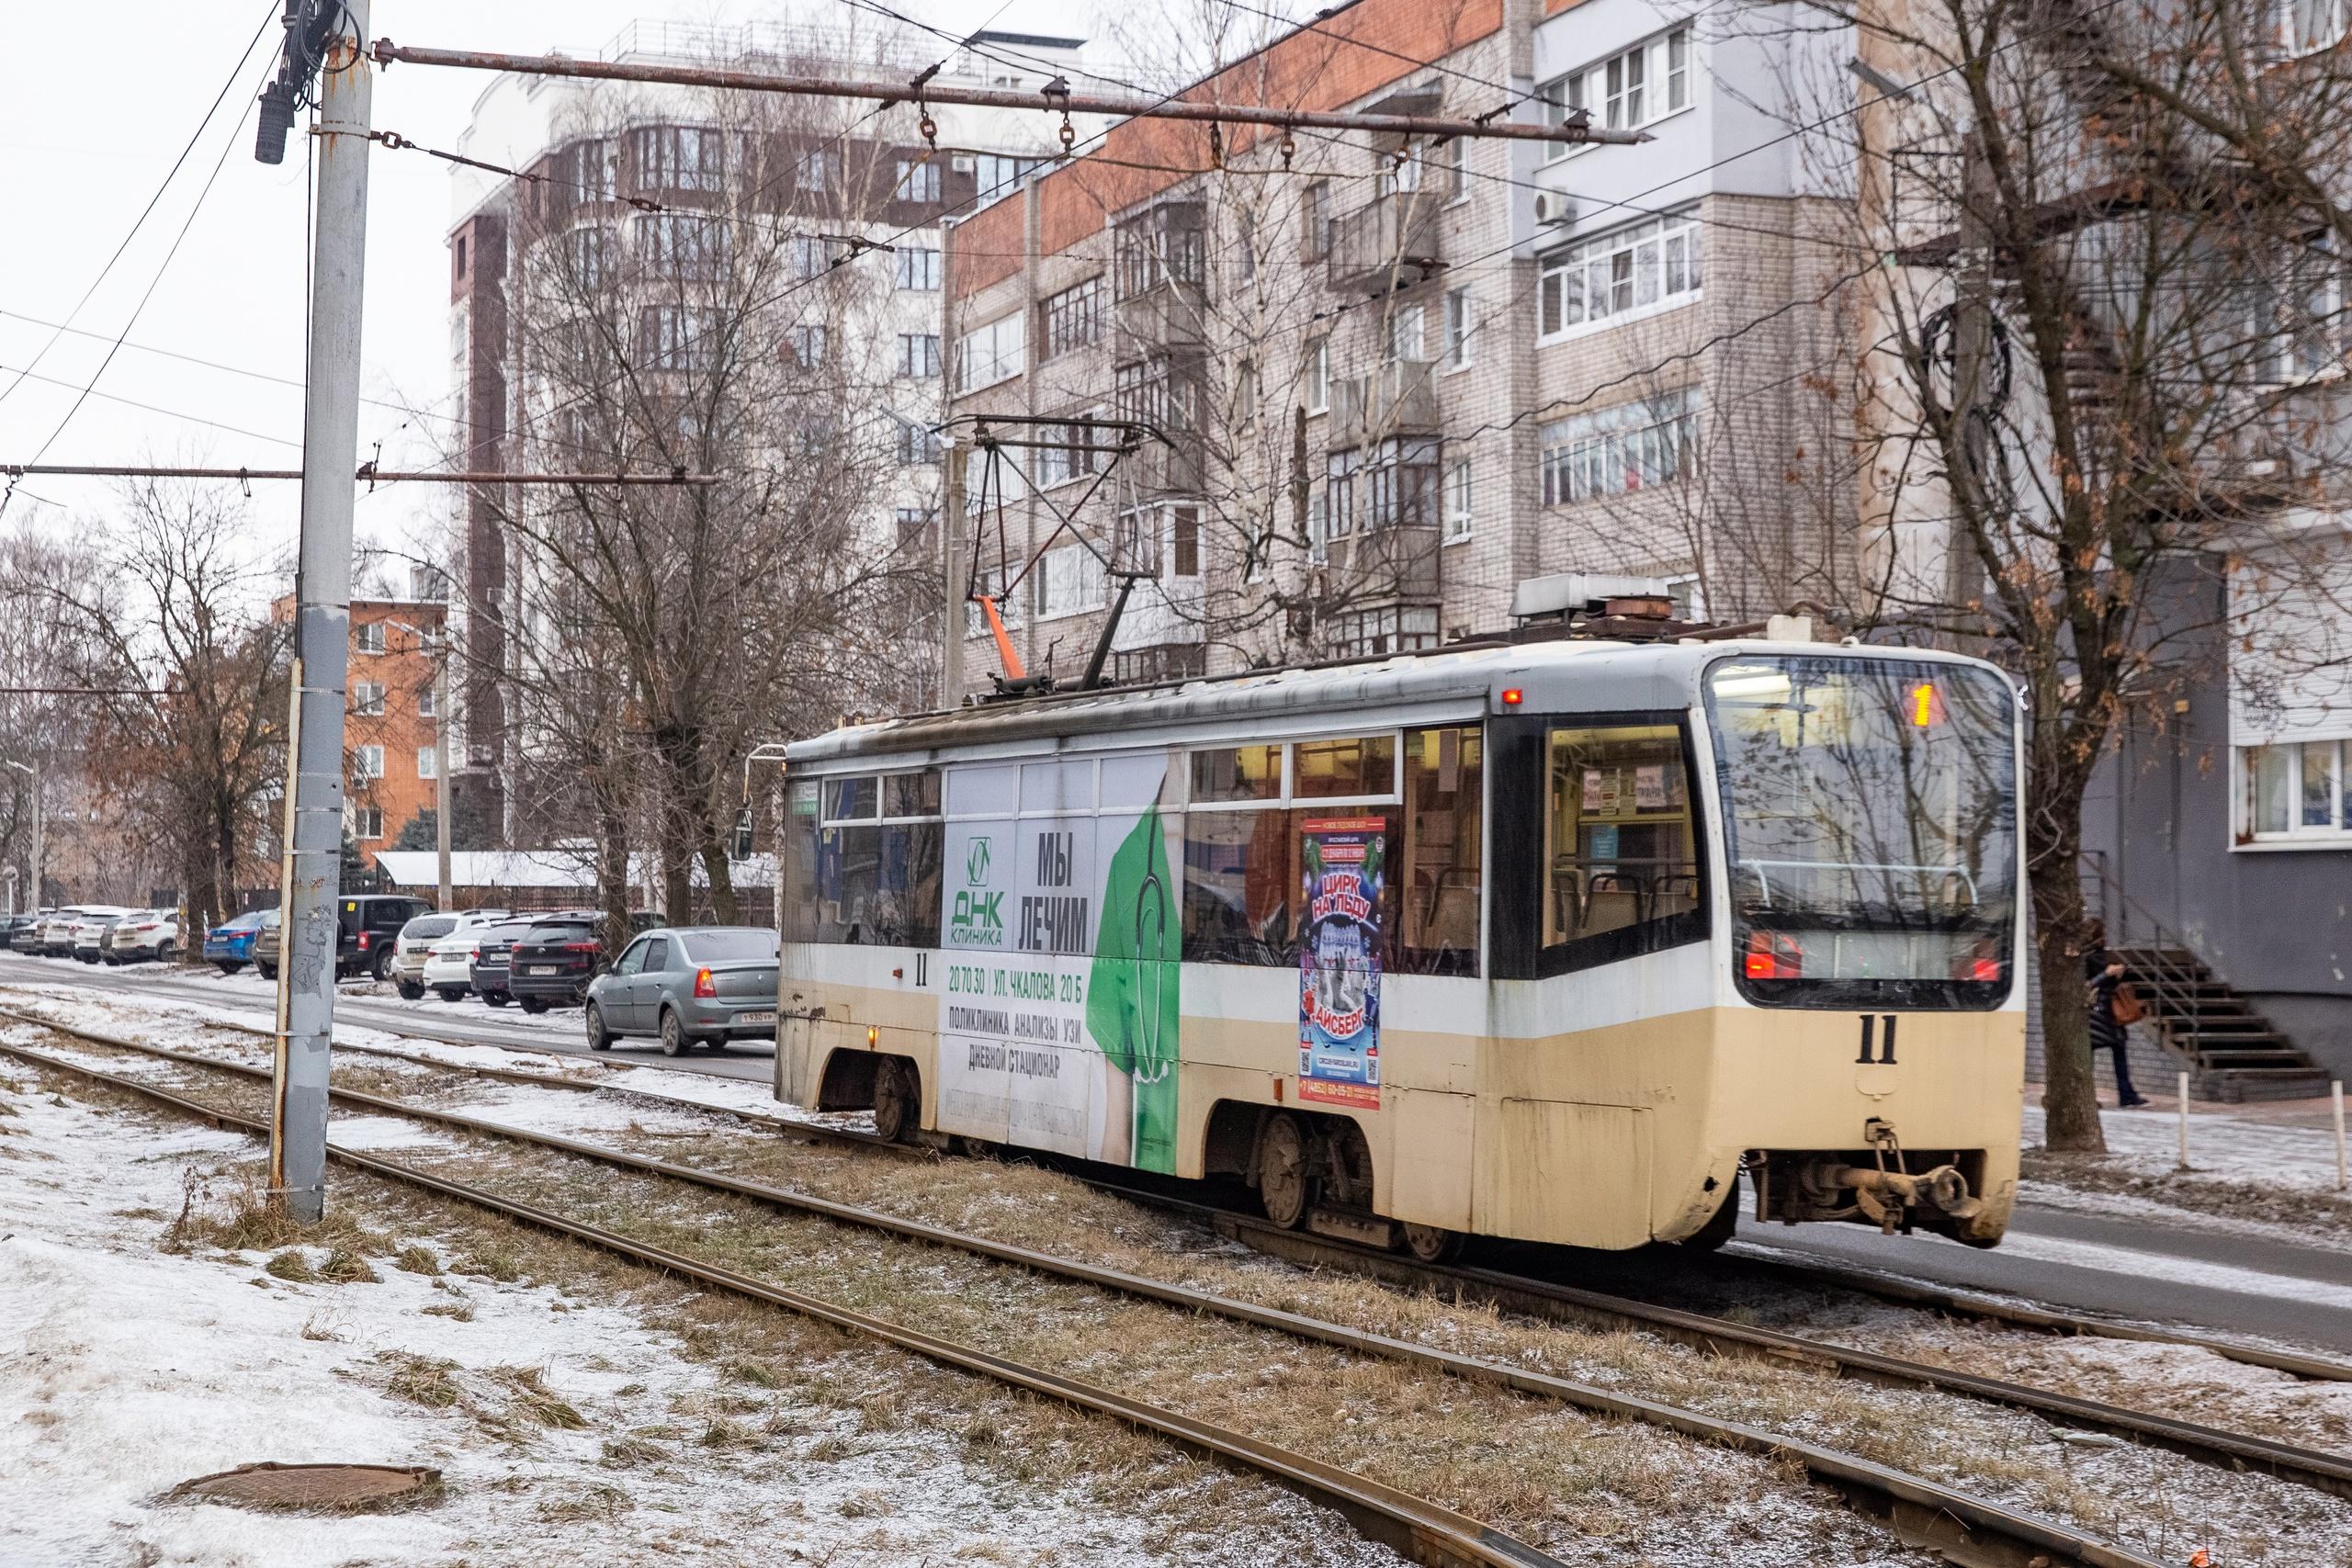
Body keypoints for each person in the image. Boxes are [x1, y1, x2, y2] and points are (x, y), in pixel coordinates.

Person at [2085, 922, 2148, 1108]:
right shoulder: (2085, 958)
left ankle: (2126, 1094)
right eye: (2102, 933)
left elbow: (2109, 984)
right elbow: (2085, 985)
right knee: (2091, 1056)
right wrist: (2106, 974)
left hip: (2110, 1013)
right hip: (2097, 1014)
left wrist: (2117, 975)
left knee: (2118, 1053)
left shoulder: (2103, 955)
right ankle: (2117, 1095)